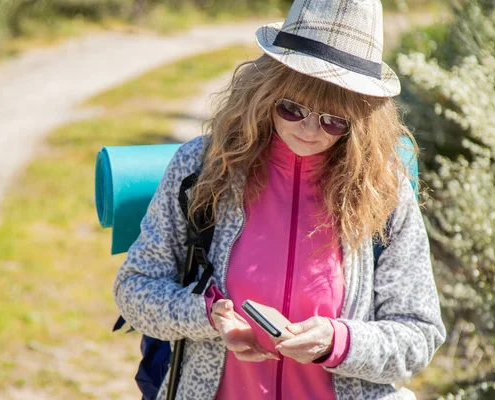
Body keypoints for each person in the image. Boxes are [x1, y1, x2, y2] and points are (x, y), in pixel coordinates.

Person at [113, 0, 446, 399]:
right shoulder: (202, 168)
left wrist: (337, 343)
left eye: (333, 119)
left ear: (363, 117)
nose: (308, 129)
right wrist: (208, 315)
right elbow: (135, 289)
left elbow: (419, 334)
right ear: (266, 89)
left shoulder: (384, 190)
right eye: (291, 107)